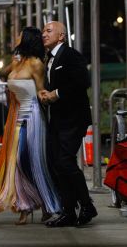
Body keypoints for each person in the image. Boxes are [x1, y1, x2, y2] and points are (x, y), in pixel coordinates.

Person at [0, 27, 61, 225]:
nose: (16, 37)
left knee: (31, 161)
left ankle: (46, 204)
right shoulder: (17, 62)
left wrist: (50, 96)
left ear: (26, 39)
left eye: (19, 35)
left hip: (33, 116)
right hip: (17, 116)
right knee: (16, 162)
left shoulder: (35, 64)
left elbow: (42, 92)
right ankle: (24, 206)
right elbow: (1, 74)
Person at [38, 21, 98, 227]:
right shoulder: (49, 59)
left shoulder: (71, 55)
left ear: (61, 36)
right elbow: (53, 85)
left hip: (73, 118)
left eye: (48, 31)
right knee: (56, 164)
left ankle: (87, 206)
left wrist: (56, 93)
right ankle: (69, 211)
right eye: (42, 31)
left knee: (65, 161)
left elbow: (82, 81)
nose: (43, 34)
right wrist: (46, 93)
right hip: (58, 119)